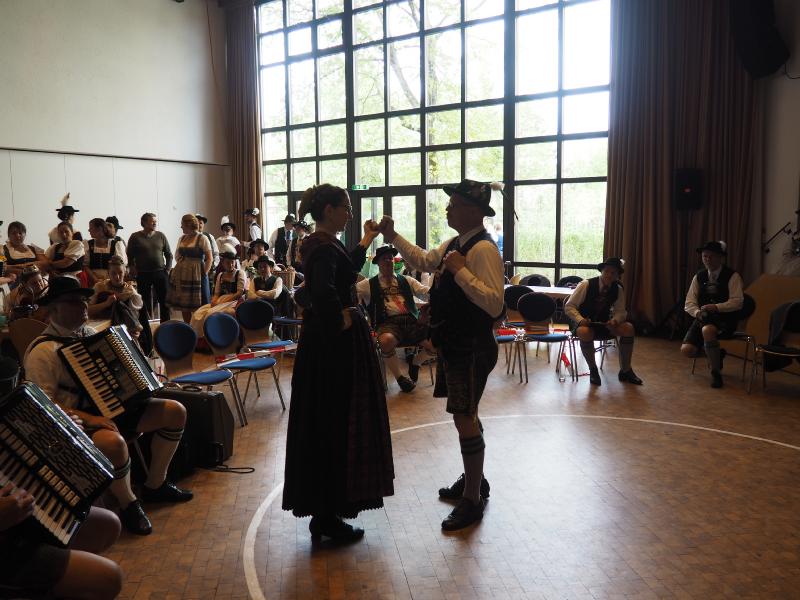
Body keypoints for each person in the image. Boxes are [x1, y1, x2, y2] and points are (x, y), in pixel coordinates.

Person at [24, 276, 194, 536]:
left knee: (174, 412)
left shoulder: (91, 335)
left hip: (110, 410)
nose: (83, 306)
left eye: (84, 300)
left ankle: (155, 484)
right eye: (74, 302)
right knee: (114, 443)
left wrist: (138, 382)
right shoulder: (42, 351)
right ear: (54, 308)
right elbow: (43, 404)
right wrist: (91, 419)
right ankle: (128, 503)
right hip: (74, 423)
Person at [379, 179, 504, 531]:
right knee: (467, 414)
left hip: (472, 347)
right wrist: (392, 235)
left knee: (464, 417)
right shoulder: (454, 244)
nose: (447, 209)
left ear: (473, 210)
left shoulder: (483, 250)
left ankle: (472, 499)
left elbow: (495, 304)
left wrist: (460, 270)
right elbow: (423, 259)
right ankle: (475, 482)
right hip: (457, 344)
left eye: (453, 204)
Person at [282, 184, 393, 543]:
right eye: (345, 207)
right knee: (333, 420)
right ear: (328, 210)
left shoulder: (324, 244)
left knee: (331, 420)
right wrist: (339, 320)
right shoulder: (320, 246)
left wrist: (366, 240)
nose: (350, 213)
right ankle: (326, 514)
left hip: (328, 343)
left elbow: (341, 275)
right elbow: (322, 288)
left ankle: (327, 512)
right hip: (331, 347)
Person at [356, 244, 430, 393]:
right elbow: (351, 293)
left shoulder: (407, 280)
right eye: (384, 259)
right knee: (385, 341)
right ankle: (400, 378)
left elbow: (425, 292)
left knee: (438, 340)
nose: (388, 261)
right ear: (377, 263)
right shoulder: (367, 284)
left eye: (390, 258)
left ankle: (416, 362)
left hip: (411, 321)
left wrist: (441, 290)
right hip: (387, 323)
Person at [564, 257, 643, 386]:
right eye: (607, 271)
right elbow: (569, 307)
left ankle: (626, 370)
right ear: (602, 271)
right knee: (584, 332)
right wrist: (580, 320)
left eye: (613, 273)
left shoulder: (618, 289)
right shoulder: (586, 284)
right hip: (582, 323)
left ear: (617, 275)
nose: (609, 275)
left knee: (628, 328)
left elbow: (621, 311)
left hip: (604, 323)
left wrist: (615, 321)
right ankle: (593, 370)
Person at [680, 240, 744, 388]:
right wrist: (697, 312)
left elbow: (738, 302)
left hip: (725, 319)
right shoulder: (699, 276)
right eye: (705, 256)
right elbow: (689, 302)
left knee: (707, 330)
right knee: (687, 350)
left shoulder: (732, 276)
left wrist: (716, 307)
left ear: (720, 258)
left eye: (711, 256)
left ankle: (716, 373)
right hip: (703, 318)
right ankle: (717, 354)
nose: (707, 259)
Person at [190, 246, 247, 338]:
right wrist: (214, 301)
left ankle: (212, 338)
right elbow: (216, 293)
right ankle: (198, 338)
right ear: (223, 263)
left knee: (210, 314)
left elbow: (239, 293)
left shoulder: (240, 273)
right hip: (221, 300)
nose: (230, 265)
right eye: (227, 262)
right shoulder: (220, 275)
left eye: (232, 262)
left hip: (234, 301)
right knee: (198, 314)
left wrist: (222, 302)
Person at [127, 213, 173, 322]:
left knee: (164, 302)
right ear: (144, 222)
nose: (155, 223)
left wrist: (167, 269)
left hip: (160, 273)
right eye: (152, 221)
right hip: (143, 273)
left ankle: (166, 325)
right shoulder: (135, 237)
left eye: (155, 221)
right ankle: (144, 327)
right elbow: (130, 255)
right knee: (143, 302)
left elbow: (168, 254)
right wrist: (132, 267)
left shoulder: (161, 236)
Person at [168, 214, 213, 323]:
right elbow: (177, 255)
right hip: (183, 274)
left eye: (182, 224)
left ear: (188, 224)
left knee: (199, 305)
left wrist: (204, 274)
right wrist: (182, 265)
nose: (181, 227)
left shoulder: (202, 238)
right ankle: (188, 327)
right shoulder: (182, 238)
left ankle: (199, 327)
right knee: (184, 304)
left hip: (197, 274)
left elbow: (209, 258)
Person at [89, 256, 144, 338]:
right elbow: (88, 311)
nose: (117, 277)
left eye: (120, 273)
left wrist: (136, 331)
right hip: (101, 328)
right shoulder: (100, 287)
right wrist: (106, 304)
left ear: (125, 272)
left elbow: (134, 316)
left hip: (123, 331)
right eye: (113, 273)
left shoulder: (130, 291)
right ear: (108, 273)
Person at [85, 218, 127, 285]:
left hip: (112, 281)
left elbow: (120, 265)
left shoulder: (116, 244)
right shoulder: (88, 244)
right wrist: (95, 279)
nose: (89, 230)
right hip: (92, 281)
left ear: (99, 229)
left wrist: (110, 280)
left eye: (91, 228)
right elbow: (85, 265)